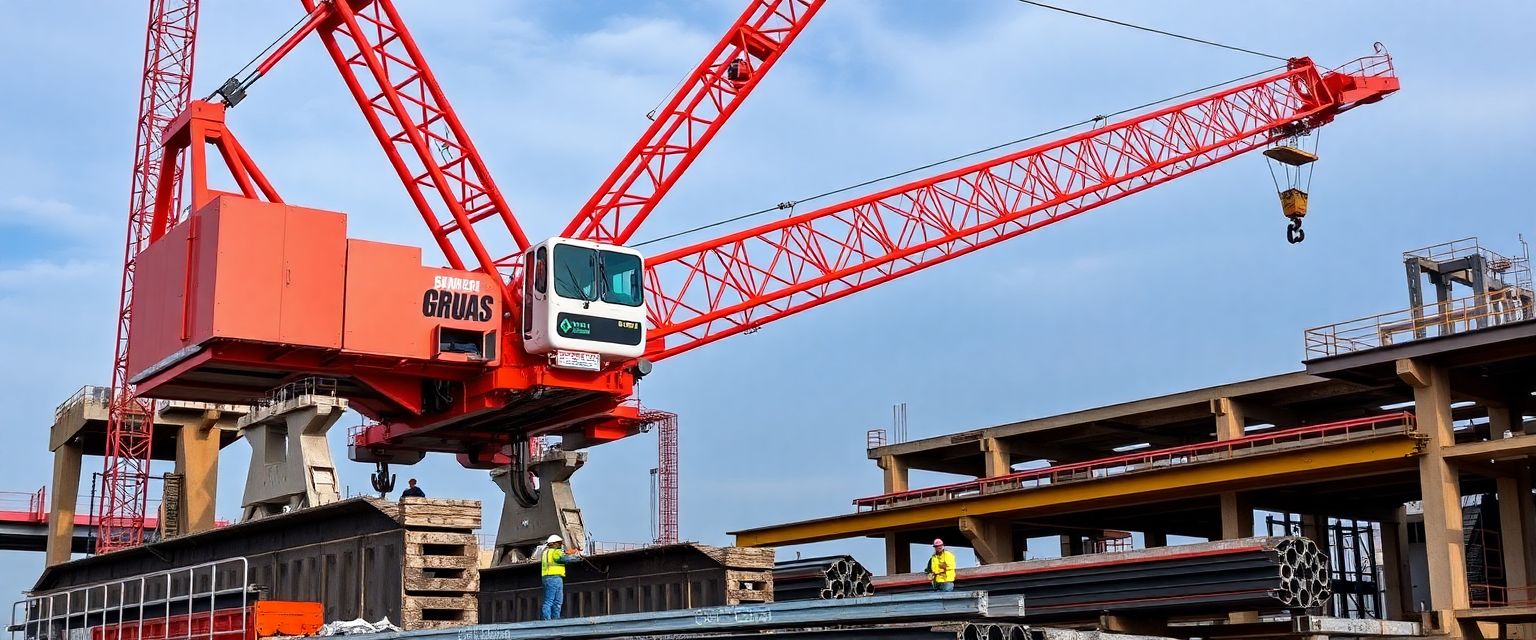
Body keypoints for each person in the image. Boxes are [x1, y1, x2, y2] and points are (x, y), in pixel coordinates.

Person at [540, 534, 582, 620]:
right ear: (554, 544)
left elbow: (563, 554)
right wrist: (577, 558)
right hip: (554, 578)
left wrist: (570, 552)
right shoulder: (556, 552)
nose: (561, 545)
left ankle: (549, 619)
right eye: (559, 543)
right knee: (555, 601)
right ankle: (551, 620)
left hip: (547, 577)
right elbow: (562, 558)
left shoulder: (545, 552)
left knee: (551, 600)